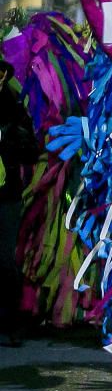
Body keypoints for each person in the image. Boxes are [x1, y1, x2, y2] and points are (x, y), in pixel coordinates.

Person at [0, 60, 39, 346]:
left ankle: (12, 323)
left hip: (5, 194)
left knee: (5, 261)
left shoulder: (12, 107)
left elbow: (31, 151)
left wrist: (9, 139)